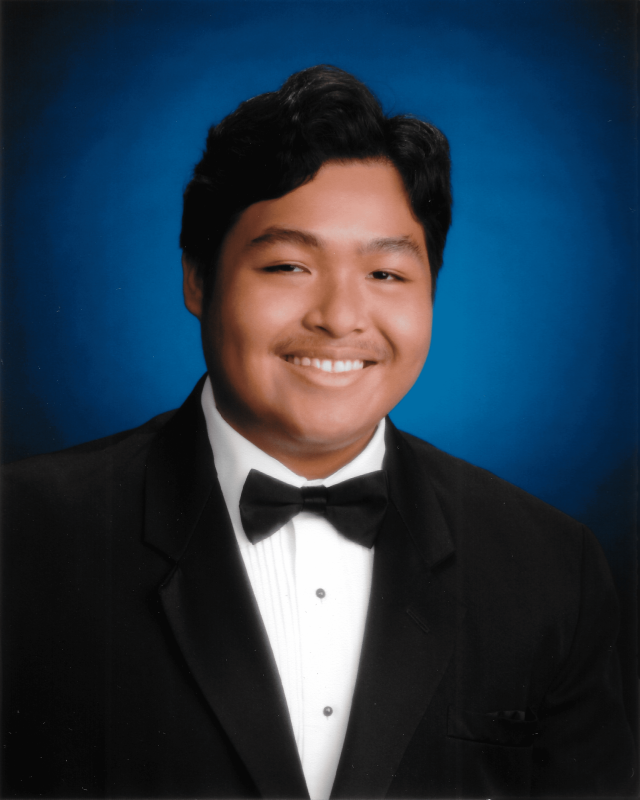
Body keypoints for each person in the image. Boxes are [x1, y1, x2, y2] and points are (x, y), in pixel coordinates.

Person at [1, 65, 635, 799]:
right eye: (288, 264)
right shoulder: (26, 537)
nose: (340, 316)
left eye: (388, 275)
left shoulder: (550, 567)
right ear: (198, 280)